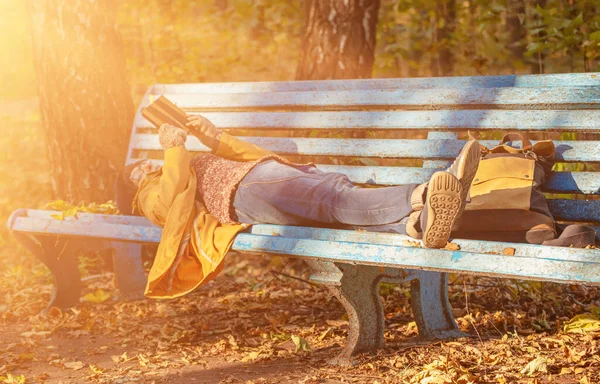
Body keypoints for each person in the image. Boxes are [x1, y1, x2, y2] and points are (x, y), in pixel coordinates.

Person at [115, 112, 480, 299]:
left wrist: (209, 136)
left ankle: (417, 223)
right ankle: (425, 192)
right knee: (334, 197)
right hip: (247, 190)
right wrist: (173, 148)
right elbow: (167, 205)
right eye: (137, 172)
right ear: (134, 191)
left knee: (339, 208)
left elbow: (254, 156)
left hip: (259, 177)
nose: (146, 167)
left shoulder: (183, 163)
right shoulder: (150, 193)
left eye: (146, 163)